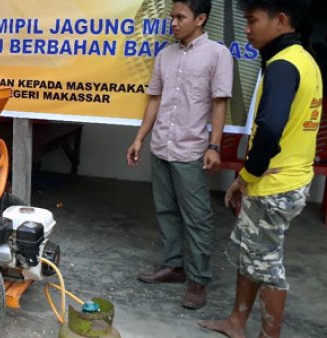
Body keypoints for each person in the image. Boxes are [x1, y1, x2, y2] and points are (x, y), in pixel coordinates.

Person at [200, 1, 322, 337]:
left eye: (253, 21)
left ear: (281, 20)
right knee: (249, 254)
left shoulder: (284, 65)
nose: (248, 29)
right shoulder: (305, 61)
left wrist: (247, 177)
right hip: (284, 180)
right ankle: (236, 322)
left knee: (267, 268)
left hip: (274, 185)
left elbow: (270, 130)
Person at [126, 0, 233, 309]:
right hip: (162, 146)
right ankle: (174, 266)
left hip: (191, 150)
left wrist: (214, 146)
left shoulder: (217, 55)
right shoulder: (165, 55)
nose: (173, 22)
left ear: (200, 18)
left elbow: (219, 104)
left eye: (179, 17)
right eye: (172, 16)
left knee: (197, 218)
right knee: (165, 210)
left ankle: (198, 280)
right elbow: (154, 100)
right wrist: (139, 139)